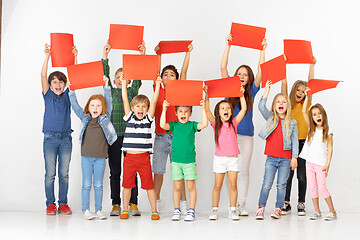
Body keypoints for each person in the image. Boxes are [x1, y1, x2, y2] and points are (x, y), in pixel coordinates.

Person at [221, 34, 267, 215]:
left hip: (247, 136)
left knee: (244, 170)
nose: (241, 76)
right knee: (231, 170)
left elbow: (261, 70)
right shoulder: (227, 89)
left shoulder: (252, 91)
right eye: (239, 73)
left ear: (249, 79)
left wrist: (262, 50)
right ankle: (233, 204)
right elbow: (223, 67)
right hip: (229, 137)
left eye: (245, 74)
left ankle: (241, 204)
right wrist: (228, 46)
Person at [102, 41, 146, 216]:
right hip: (114, 138)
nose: (121, 79)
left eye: (124, 76)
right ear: (114, 81)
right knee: (115, 172)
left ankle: (133, 203)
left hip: (131, 138)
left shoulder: (133, 91)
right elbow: (104, 76)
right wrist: (105, 56)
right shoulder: (111, 92)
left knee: (131, 172)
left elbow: (140, 75)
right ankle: (116, 204)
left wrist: (142, 55)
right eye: (118, 77)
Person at [152, 43, 193, 213]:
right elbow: (156, 72)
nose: (169, 76)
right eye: (165, 74)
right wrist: (159, 54)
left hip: (177, 137)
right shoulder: (158, 90)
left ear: (176, 78)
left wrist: (187, 53)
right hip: (161, 137)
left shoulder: (180, 91)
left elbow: (184, 72)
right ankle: (156, 202)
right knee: (159, 171)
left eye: (172, 74)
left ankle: (183, 203)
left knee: (180, 172)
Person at [69, 77, 117, 220]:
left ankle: (98, 210)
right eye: (92, 105)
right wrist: (72, 91)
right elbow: (75, 106)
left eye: (98, 106)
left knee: (98, 184)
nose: (95, 108)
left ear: (103, 108)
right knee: (86, 184)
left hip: (100, 157)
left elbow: (109, 101)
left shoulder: (105, 118)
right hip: (86, 157)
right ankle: (86, 210)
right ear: (88, 108)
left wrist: (106, 86)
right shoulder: (85, 118)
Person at [119, 74, 162, 220]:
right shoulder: (129, 117)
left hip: (144, 158)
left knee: (149, 186)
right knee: (127, 185)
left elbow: (155, 101)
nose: (141, 108)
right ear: (132, 108)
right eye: (137, 106)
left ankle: (154, 210)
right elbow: (125, 99)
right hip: (129, 158)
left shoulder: (148, 119)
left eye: (144, 106)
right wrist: (124, 84)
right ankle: (125, 209)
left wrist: (157, 86)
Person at [41, 43, 77, 215]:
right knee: (50, 174)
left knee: (64, 173)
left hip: (65, 140)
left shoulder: (68, 96)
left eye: (61, 82)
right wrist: (47, 56)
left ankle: (63, 203)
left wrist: (74, 57)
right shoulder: (48, 95)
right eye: (54, 82)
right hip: (49, 139)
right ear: (50, 84)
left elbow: (75, 77)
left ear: (64, 84)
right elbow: (42, 76)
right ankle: (50, 204)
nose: (58, 84)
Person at [255, 80, 298, 220]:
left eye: (284, 102)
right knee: (267, 184)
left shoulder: (292, 123)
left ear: (288, 106)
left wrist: (294, 158)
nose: (281, 104)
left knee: (281, 185)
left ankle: (278, 208)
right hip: (271, 158)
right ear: (274, 105)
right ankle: (261, 208)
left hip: (286, 159)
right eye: (278, 101)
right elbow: (261, 106)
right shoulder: (271, 118)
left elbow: (295, 141)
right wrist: (267, 91)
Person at [160, 99, 208, 222]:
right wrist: (164, 109)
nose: (183, 114)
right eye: (180, 111)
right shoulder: (174, 125)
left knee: (191, 186)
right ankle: (177, 210)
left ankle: (191, 211)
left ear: (190, 113)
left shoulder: (192, 125)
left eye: (186, 111)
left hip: (189, 162)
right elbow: (162, 125)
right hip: (176, 162)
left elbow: (204, 124)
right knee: (177, 187)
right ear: (176, 113)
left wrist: (203, 109)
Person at [204, 85, 247, 220]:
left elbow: (244, 108)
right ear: (218, 113)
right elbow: (206, 110)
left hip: (233, 159)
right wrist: (207, 95)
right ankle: (214, 209)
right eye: (222, 108)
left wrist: (241, 94)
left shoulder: (234, 123)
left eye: (228, 108)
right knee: (217, 185)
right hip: (219, 160)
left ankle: (233, 209)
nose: (226, 110)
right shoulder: (215, 124)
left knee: (233, 185)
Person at [280, 56, 316, 216]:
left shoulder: (306, 104)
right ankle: (286, 203)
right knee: (288, 174)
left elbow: (311, 82)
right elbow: (284, 84)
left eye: (303, 91)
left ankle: (301, 203)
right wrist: (284, 65)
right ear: (293, 91)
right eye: (298, 90)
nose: (300, 93)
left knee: (302, 175)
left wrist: (311, 64)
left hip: (303, 144)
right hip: (289, 143)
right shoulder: (287, 103)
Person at [300, 92, 337, 221]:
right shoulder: (312, 129)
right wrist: (306, 96)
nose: (317, 116)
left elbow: (330, 148)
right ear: (312, 118)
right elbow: (304, 111)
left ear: (323, 114)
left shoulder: (328, 130)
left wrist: (328, 164)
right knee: (313, 188)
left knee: (322, 187)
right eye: (314, 115)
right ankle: (317, 211)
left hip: (321, 164)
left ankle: (332, 211)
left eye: (319, 113)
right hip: (309, 163)